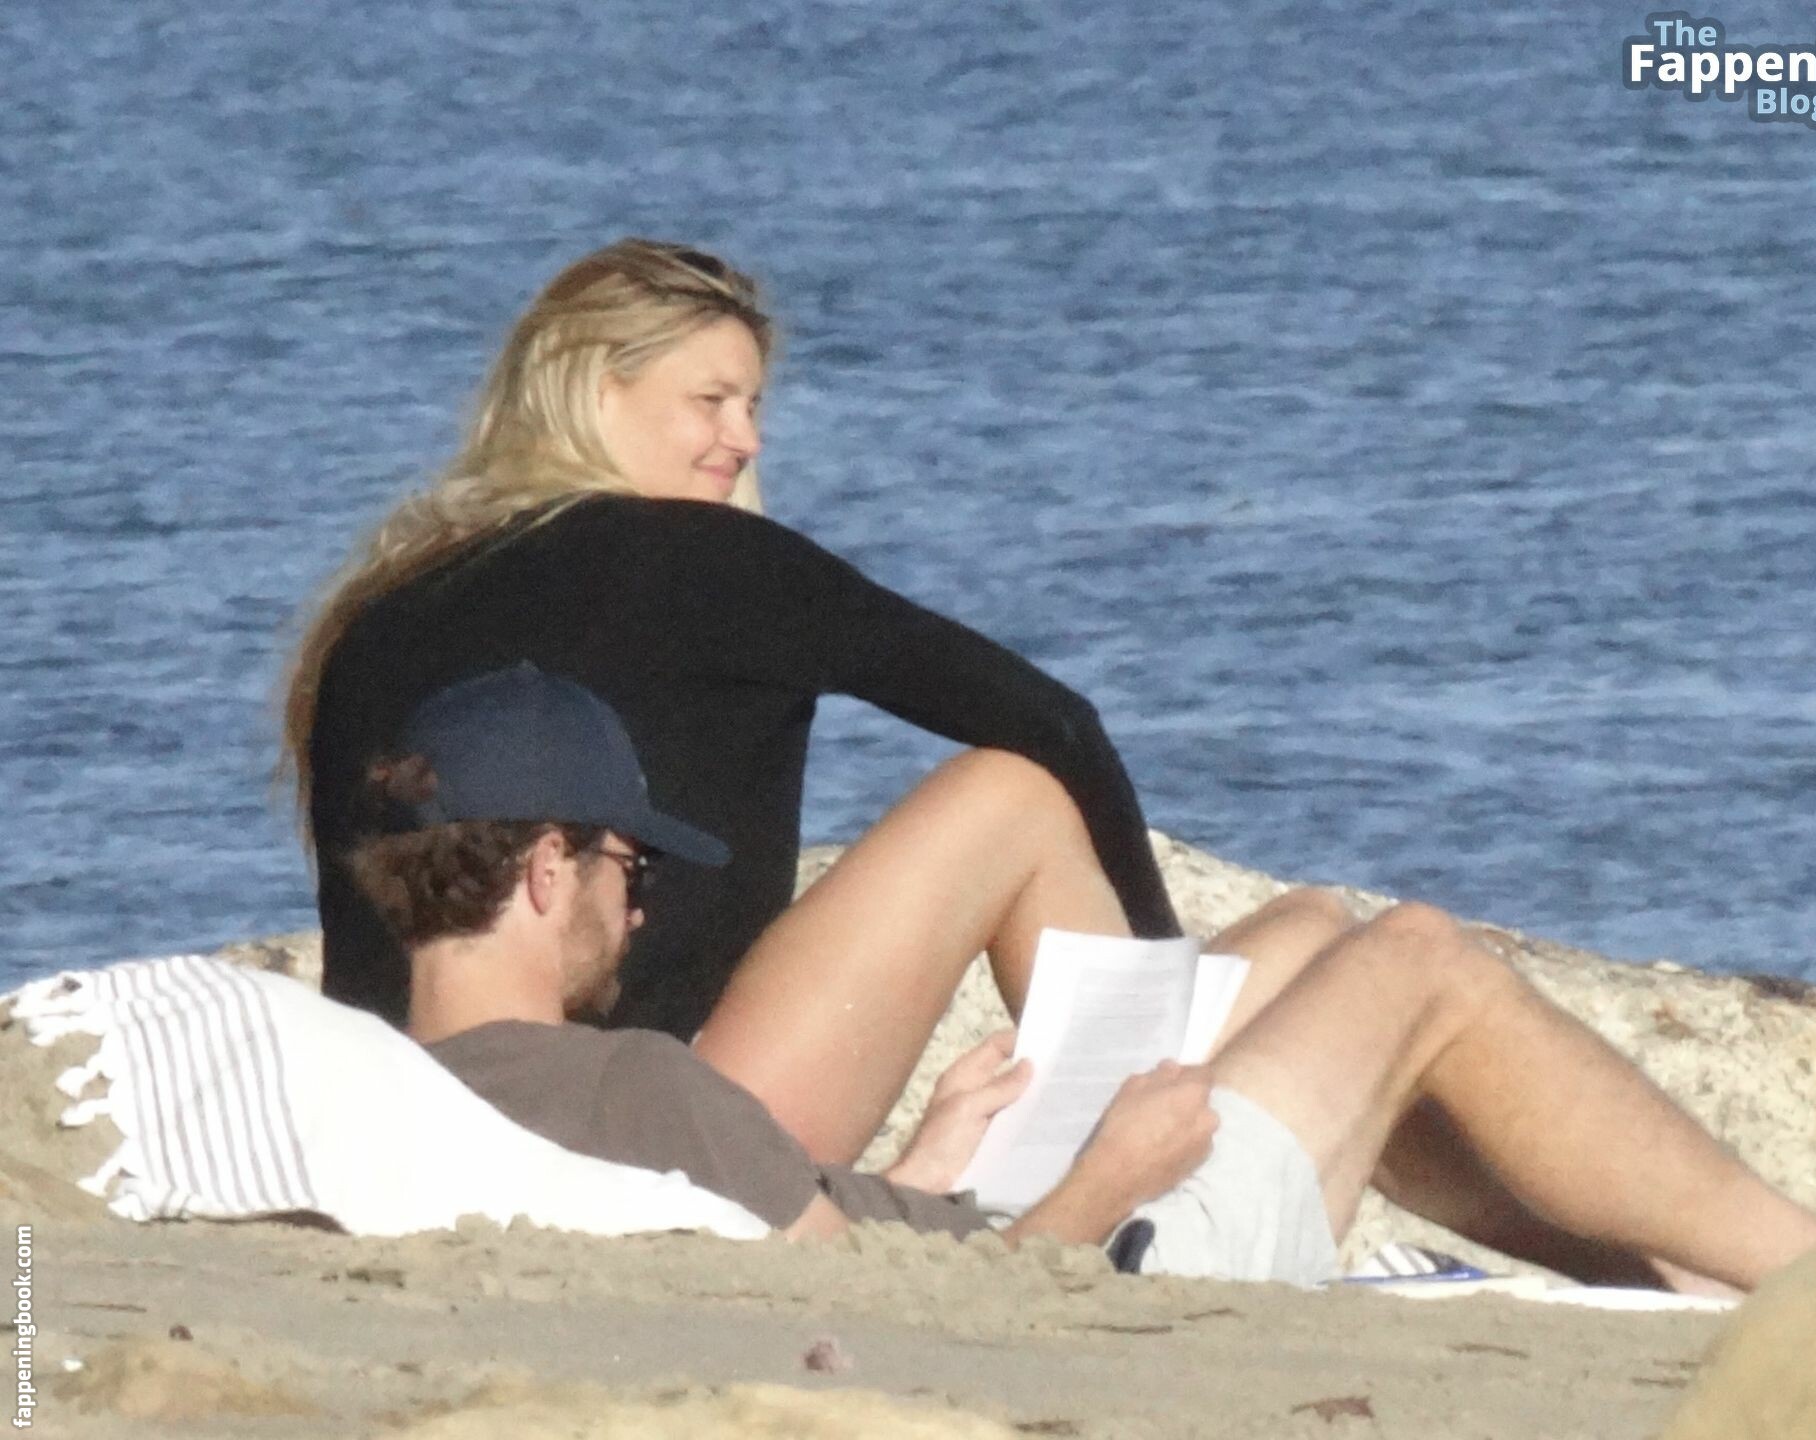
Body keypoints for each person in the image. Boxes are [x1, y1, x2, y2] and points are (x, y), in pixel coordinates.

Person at [350, 664, 1816, 1291]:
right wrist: (1108, 1175)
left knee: (1300, 938)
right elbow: (900, 1330)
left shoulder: (396, 1097)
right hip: (1103, 1256)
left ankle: (1663, 1279)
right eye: (629, 867)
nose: (636, 907)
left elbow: (792, 1254)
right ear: (545, 873)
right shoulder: (629, 1080)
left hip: (986, 1208)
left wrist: (922, 1166)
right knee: (1418, 963)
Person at [281, 238, 1181, 1161]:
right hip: (652, 1131)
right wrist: (1165, 966)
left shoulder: (374, 610)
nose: (747, 440)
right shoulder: (712, 562)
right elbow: (1054, 722)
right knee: (1013, 797)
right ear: (593, 391)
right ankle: (1150, 1138)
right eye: (710, 402)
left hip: (398, 1121)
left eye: (752, 407)